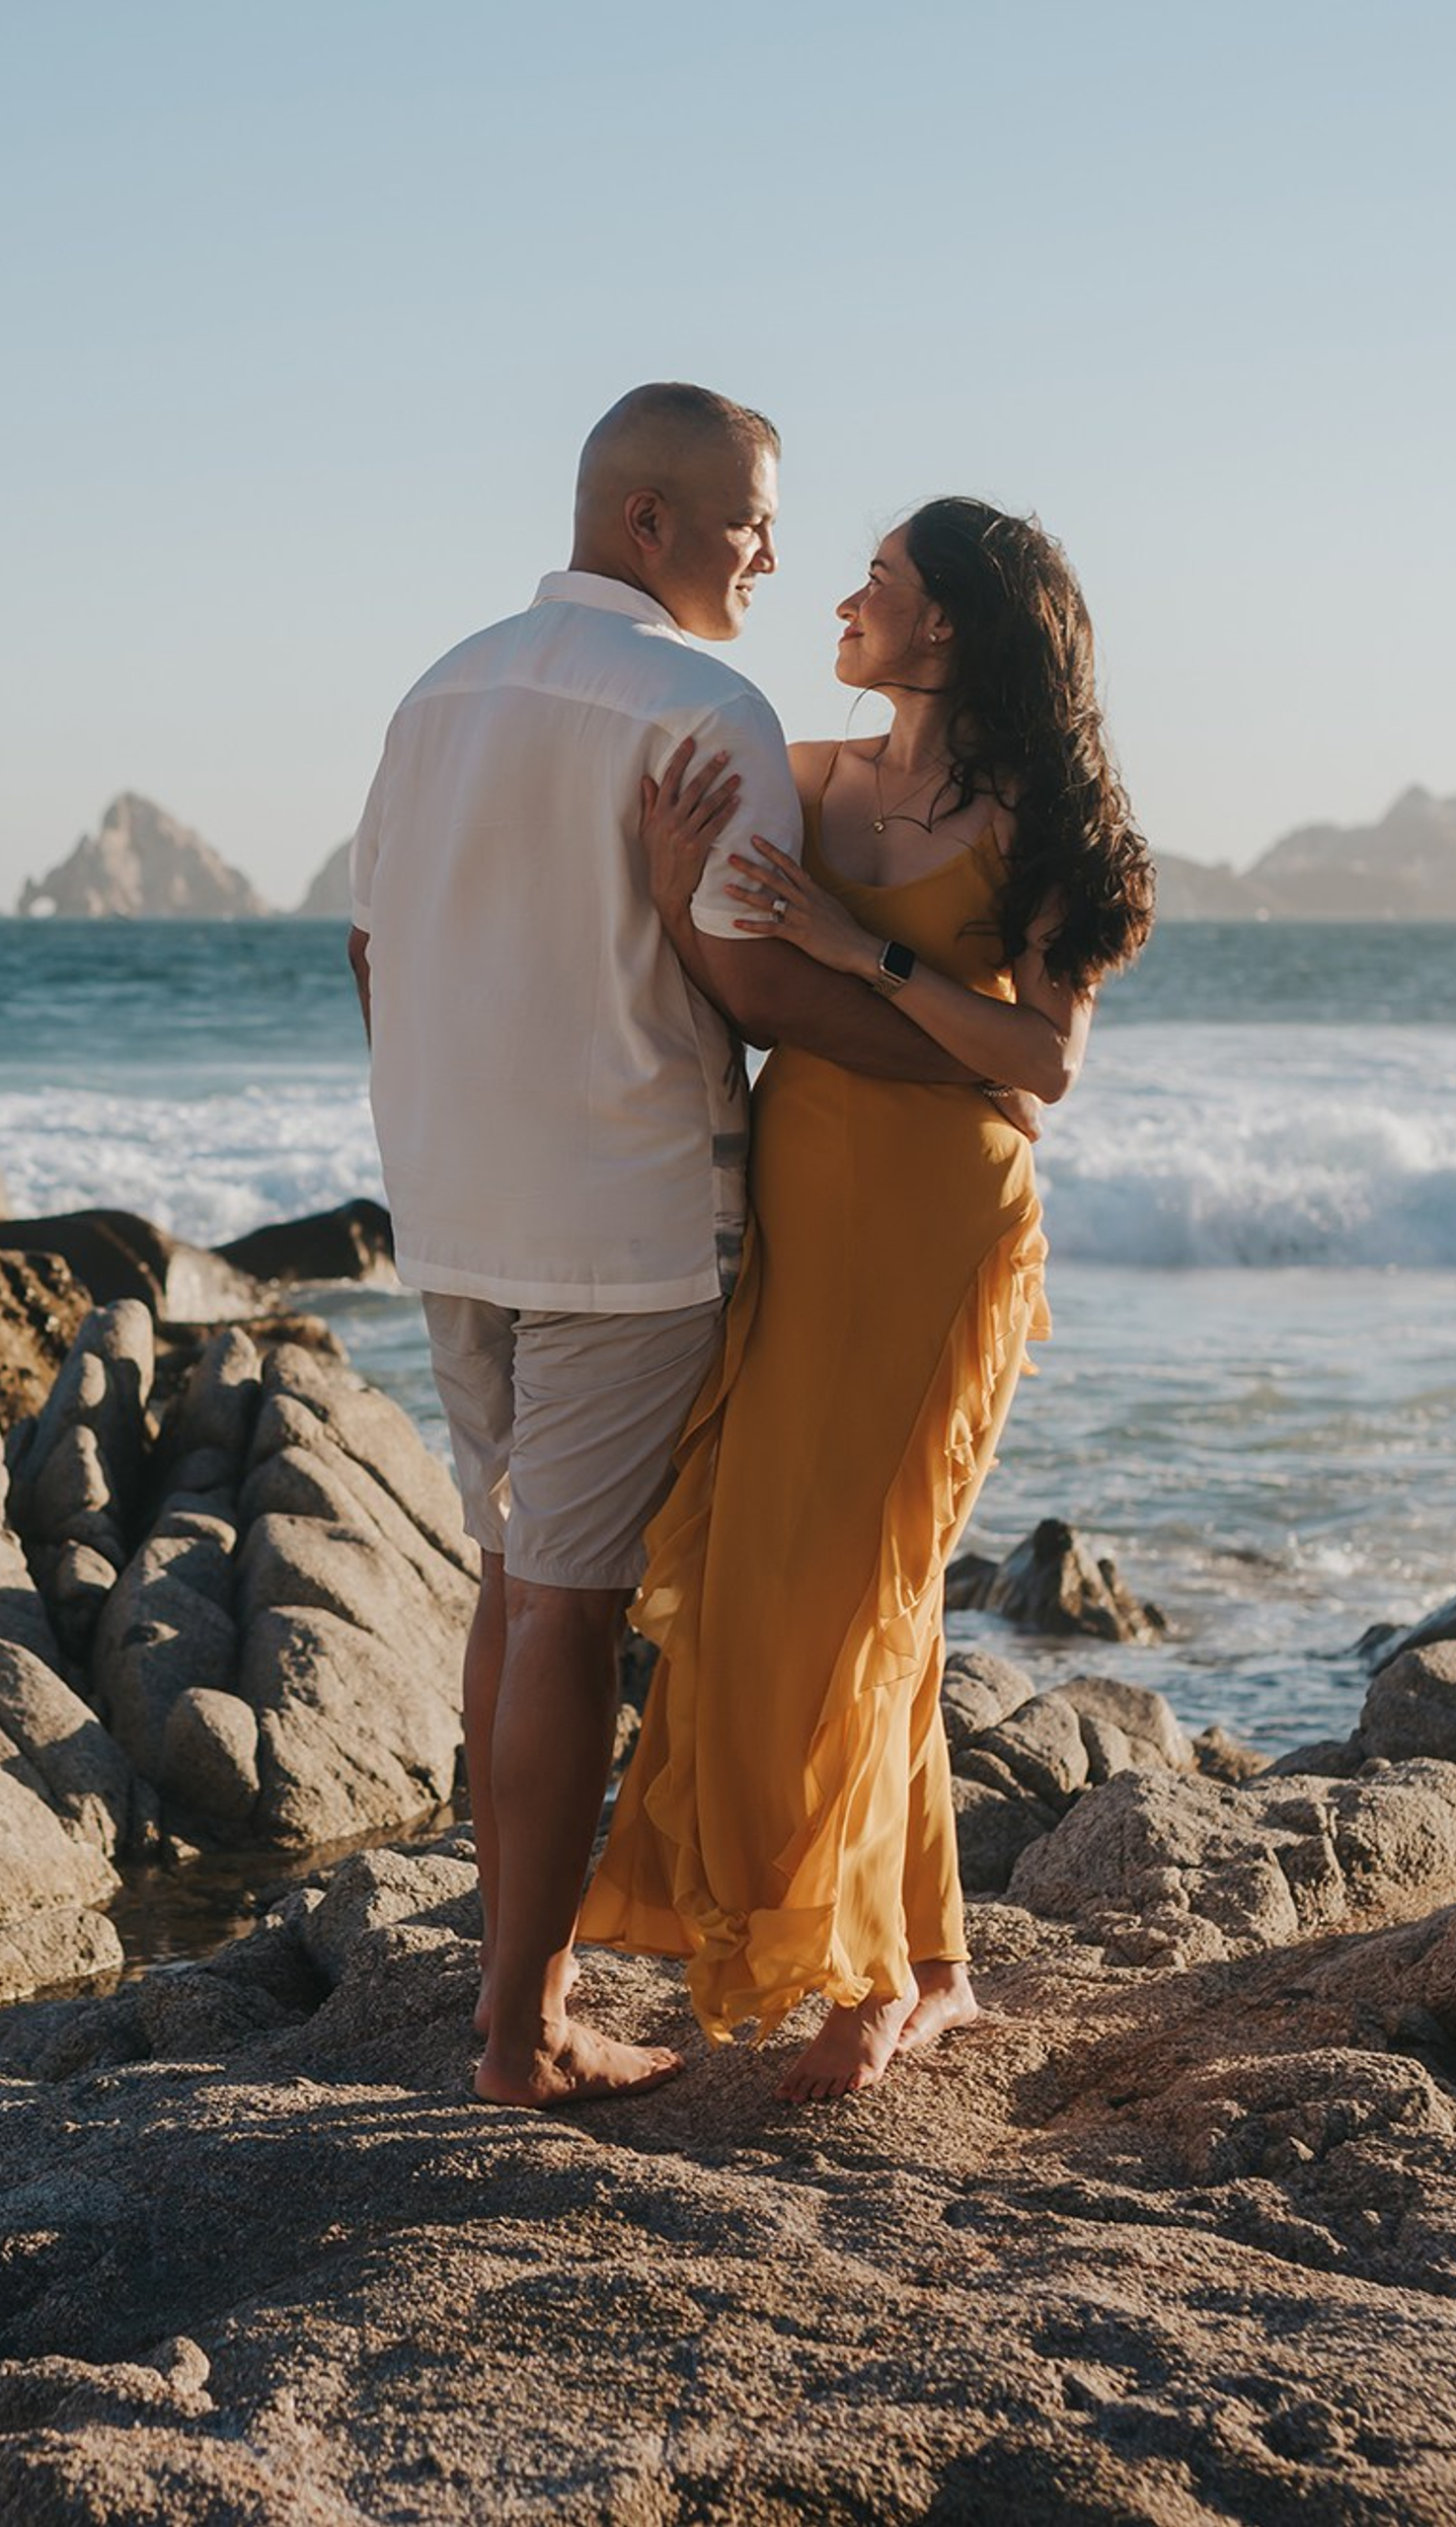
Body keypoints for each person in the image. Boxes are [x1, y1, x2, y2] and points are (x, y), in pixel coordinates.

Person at [347, 388, 1002, 2108]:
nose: (773, 554)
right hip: (625, 1227)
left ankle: (522, 2005)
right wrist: (970, 1060)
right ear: (649, 523)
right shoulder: (702, 707)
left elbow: (368, 955)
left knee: (517, 1583)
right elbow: (762, 982)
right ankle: (519, 2036)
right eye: (747, 523)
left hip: (456, 1208)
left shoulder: (435, 694)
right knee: (561, 1605)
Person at [578, 497, 1154, 2102]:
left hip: (938, 1232)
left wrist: (866, 951)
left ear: (951, 625)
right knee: (789, 1578)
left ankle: (874, 1978)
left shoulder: (1045, 821)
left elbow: (1042, 1066)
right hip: (796, 1215)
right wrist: (661, 865)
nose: (843, 598)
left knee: (872, 1582)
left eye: (879, 583)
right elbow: (741, 975)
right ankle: (931, 1964)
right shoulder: (816, 782)